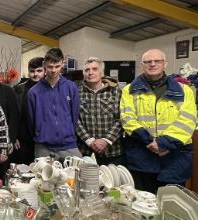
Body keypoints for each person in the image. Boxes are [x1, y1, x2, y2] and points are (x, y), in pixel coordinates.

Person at [120, 49, 196, 194]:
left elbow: (188, 120)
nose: (153, 64)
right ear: (142, 65)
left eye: (157, 61)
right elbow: (127, 118)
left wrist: (162, 143)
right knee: (143, 204)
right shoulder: (129, 90)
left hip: (174, 158)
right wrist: (151, 142)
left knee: (172, 205)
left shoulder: (184, 90)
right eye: (148, 61)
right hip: (142, 158)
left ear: (165, 63)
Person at [26, 48, 82, 161]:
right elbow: (31, 122)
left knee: (76, 176)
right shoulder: (33, 92)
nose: (53, 70)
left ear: (62, 64)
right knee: (43, 178)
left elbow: (74, 116)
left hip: (69, 145)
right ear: (44, 65)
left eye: (57, 66)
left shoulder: (71, 87)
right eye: (50, 67)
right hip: (43, 147)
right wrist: (41, 134)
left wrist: (67, 132)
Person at [76, 57, 124, 166]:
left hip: (113, 152)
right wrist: (90, 141)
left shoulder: (115, 91)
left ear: (102, 73)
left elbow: (121, 118)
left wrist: (106, 141)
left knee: (115, 182)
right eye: (87, 70)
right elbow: (75, 119)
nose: (90, 72)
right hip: (86, 152)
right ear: (83, 73)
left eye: (94, 69)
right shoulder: (77, 92)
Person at [13, 57, 44, 164]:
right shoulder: (18, 90)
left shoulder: (51, 89)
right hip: (23, 141)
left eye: (39, 71)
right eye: (32, 71)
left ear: (45, 71)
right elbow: (13, 115)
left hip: (44, 141)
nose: (35, 74)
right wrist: (14, 137)